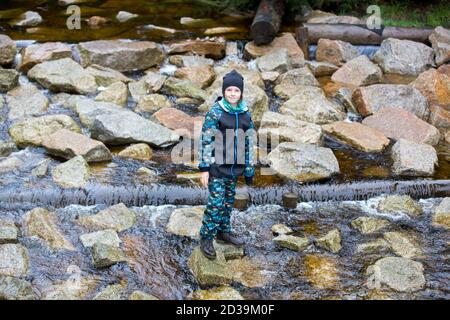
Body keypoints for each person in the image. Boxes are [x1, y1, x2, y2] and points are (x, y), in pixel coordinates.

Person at [197, 69, 255, 260]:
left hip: (235, 168)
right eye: (229, 90)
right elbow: (206, 141)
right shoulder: (216, 113)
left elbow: (248, 143)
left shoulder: (246, 114)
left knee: (228, 202)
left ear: (241, 93)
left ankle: (224, 232)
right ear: (223, 91)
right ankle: (206, 237)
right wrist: (204, 169)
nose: (232, 93)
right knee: (216, 203)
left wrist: (248, 170)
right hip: (216, 168)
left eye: (236, 90)